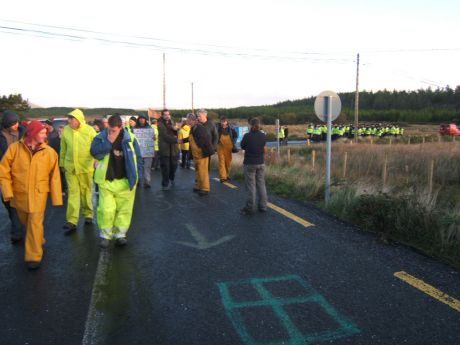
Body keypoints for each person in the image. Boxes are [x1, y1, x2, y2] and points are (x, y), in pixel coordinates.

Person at [0, 121, 62, 269]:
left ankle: (33, 256)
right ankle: (38, 239)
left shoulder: (50, 153)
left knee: (34, 222)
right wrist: (7, 192)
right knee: (27, 223)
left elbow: (54, 177)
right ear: (32, 133)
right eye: (42, 132)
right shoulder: (14, 149)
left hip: (39, 195)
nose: (45, 135)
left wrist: (56, 198)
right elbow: (3, 171)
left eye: (46, 132)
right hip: (19, 195)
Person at [90, 114, 142, 248]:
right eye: (109, 129)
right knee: (106, 210)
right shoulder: (101, 137)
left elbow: (139, 157)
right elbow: (94, 152)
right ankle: (105, 236)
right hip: (106, 181)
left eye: (114, 130)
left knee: (124, 211)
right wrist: (108, 142)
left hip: (125, 181)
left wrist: (138, 177)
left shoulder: (130, 138)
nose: (111, 133)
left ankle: (120, 235)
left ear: (121, 127)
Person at [60, 108, 96, 234]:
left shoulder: (89, 130)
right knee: (73, 193)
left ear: (78, 119)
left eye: (72, 119)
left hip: (86, 167)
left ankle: (88, 215)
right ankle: (72, 220)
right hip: (71, 167)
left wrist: (97, 160)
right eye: (69, 118)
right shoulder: (66, 130)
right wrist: (62, 164)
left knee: (86, 191)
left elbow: (96, 147)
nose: (69, 121)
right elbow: (63, 149)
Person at [0, 111, 26, 243]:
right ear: (6, 124)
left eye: (17, 122)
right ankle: (17, 227)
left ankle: (19, 228)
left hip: (21, 173)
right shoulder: (1, 136)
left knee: (20, 202)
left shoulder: (24, 133)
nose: (16, 125)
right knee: (7, 201)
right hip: (4, 173)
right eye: (13, 123)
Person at [240, 118, 268, 215]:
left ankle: (249, 207)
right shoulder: (263, 136)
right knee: (261, 184)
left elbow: (242, 146)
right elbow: (264, 148)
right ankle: (263, 206)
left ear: (250, 125)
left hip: (250, 163)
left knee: (251, 186)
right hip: (261, 163)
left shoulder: (247, 136)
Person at [182, 113, 214, 196]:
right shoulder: (193, 128)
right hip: (196, 154)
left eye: (187, 119)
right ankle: (199, 186)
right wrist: (182, 140)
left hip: (202, 153)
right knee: (198, 171)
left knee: (203, 171)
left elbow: (205, 140)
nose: (186, 121)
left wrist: (201, 150)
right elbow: (190, 138)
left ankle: (205, 188)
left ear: (191, 120)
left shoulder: (199, 128)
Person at [157, 109, 179, 190]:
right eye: (165, 114)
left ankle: (172, 178)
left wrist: (176, 130)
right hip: (164, 149)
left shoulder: (172, 122)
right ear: (162, 115)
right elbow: (165, 135)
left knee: (174, 166)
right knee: (165, 168)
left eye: (168, 114)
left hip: (174, 149)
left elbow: (176, 133)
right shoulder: (160, 123)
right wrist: (176, 140)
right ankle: (165, 184)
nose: (167, 116)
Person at [135, 114, 154, 188]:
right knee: (138, 166)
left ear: (145, 120)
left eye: (143, 118)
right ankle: (138, 180)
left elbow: (153, 137)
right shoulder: (135, 128)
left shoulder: (149, 128)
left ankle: (147, 181)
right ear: (138, 119)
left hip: (147, 150)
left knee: (147, 167)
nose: (142, 120)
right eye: (140, 118)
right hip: (138, 150)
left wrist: (153, 137)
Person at [216, 117, 237, 182]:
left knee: (228, 162)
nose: (223, 123)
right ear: (220, 122)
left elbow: (235, 136)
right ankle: (223, 177)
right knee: (221, 162)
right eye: (222, 121)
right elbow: (214, 136)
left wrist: (233, 143)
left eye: (224, 121)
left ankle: (227, 175)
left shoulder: (231, 129)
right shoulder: (217, 128)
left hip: (229, 147)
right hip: (220, 147)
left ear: (227, 122)